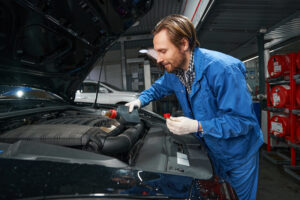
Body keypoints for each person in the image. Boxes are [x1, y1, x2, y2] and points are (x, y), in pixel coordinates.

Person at [125, 14, 263, 200]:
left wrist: (197, 126)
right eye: (157, 52)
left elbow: (242, 121)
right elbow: (159, 87)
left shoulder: (222, 69)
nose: (158, 59)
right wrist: (140, 100)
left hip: (238, 155)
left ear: (183, 44)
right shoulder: (175, 72)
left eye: (163, 51)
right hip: (211, 151)